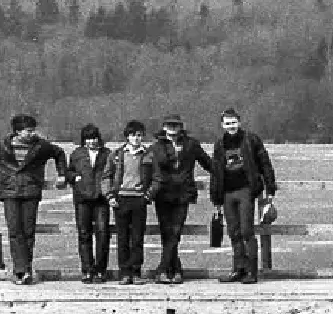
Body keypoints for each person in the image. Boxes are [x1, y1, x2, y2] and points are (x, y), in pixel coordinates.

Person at [0, 114, 69, 285]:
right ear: (17, 131)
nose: (32, 134)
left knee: (28, 231)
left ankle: (25, 269)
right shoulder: (1, 146)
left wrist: (62, 174)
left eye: (33, 130)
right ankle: (20, 271)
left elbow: (59, 153)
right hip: (10, 191)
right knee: (15, 231)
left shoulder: (41, 146)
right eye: (28, 131)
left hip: (31, 191)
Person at [208, 107, 277, 284]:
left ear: (239, 122)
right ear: (222, 125)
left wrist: (270, 188)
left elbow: (265, 164)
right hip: (227, 193)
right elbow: (216, 172)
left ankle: (252, 272)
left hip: (246, 190)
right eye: (227, 123)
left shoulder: (251, 140)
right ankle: (238, 269)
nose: (231, 126)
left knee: (247, 230)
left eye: (233, 122)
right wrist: (215, 198)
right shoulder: (219, 144)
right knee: (233, 232)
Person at [147, 113, 214, 285]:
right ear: (163, 127)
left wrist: (228, 174)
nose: (172, 128)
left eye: (176, 125)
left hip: (183, 194)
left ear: (181, 127)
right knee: (166, 233)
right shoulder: (156, 147)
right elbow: (146, 170)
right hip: (162, 194)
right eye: (169, 125)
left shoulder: (192, 144)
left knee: (175, 232)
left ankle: (163, 269)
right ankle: (175, 269)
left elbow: (209, 164)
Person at [107, 120, 154, 285]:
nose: (136, 138)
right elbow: (107, 176)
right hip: (121, 199)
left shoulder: (148, 154)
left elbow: (156, 177)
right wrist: (110, 196)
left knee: (137, 237)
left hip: (139, 199)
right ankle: (124, 272)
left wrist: (148, 195)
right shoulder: (117, 154)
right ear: (127, 136)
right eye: (133, 135)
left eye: (139, 135)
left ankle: (136, 271)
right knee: (122, 238)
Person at [66, 124, 114, 283]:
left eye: (94, 138)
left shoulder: (107, 153)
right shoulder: (77, 154)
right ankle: (87, 270)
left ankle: (101, 270)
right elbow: (69, 171)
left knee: (103, 233)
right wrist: (75, 178)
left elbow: (113, 172)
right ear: (83, 140)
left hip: (101, 199)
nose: (91, 142)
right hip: (82, 198)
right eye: (88, 139)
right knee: (84, 234)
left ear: (98, 138)